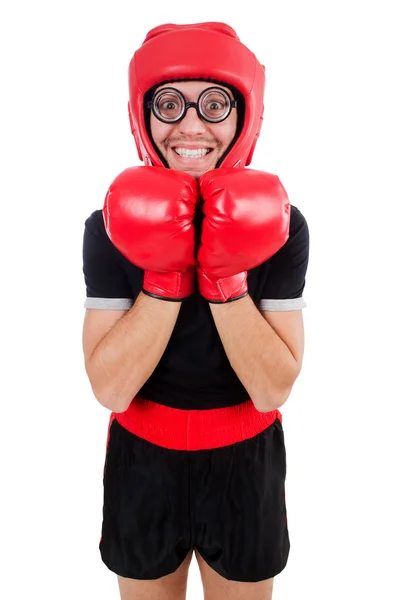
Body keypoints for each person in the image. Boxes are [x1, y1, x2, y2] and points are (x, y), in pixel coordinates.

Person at [82, 21, 309, 600]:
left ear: (243, 114)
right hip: (142, 455)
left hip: (244, 456)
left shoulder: (280, 224)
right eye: (169, 103)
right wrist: (164, 274)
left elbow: (272, 389)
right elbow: (109, 389)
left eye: (214, 104)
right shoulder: (110, 225)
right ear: (143, 114)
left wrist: (224, 278)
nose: (190, 125)